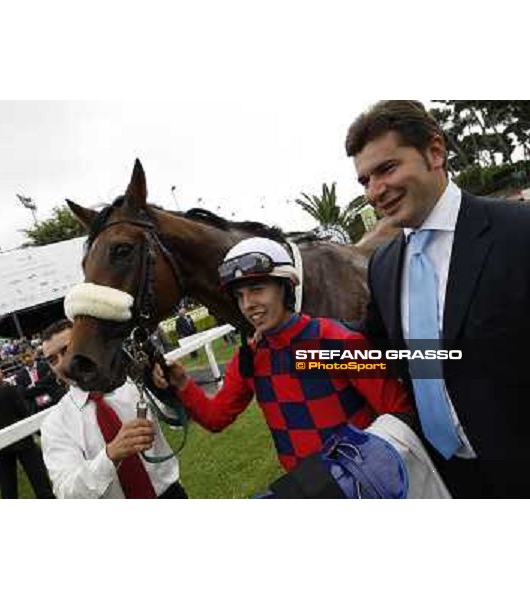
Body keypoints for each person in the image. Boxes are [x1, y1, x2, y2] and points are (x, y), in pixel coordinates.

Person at [346, 100, 530, 498]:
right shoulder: (384, 264)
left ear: (435, 152)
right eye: (364, 181)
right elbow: (374, 343)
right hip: (449, 477)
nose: (375, 191)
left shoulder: (519, 231)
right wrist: (293, 334)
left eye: (387, 168)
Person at [153, 237, 415, 485]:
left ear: (285, 288)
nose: (248, 304)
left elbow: (399, 413)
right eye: (240, 296)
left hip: (364, 484)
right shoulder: (250, 358)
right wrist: (183, 383)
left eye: (257, 290)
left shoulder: (336, 341)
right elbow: (215, 418)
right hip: (305, 489)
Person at [39, 319, 187, 499]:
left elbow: (176, 420)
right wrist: (110, 456)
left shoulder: (132, 381)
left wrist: (173, 390)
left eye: (66, 350)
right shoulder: (55, 424)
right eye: (53, 360)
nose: (62, 364)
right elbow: (67, 493)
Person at [0, 363, 54, 499]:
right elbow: (25, 413)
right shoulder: (10, 390)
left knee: (8, 488)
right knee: (40, 483)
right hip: (23, 442)